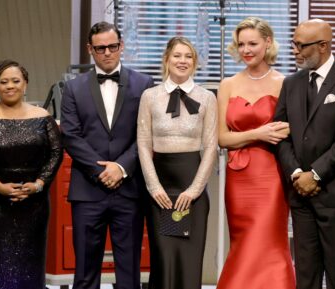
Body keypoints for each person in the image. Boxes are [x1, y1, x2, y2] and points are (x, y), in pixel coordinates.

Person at [274, 19, 335, 289]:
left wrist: (315, 175)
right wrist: (296, 174)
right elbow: (281, 134)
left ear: (323, 46)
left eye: (301, 45)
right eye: (294, 44)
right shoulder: (291, 83)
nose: (295, 50)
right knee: (305, 272)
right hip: (300, 193)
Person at [61, 21, 154, 289]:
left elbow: (147, 134)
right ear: (90, 49)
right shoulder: (73, 88)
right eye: (100, 48)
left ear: (121, 46)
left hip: (130, 188)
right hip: (88, 190)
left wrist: (121, 167)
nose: (107, 53)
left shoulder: (144, 83)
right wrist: (101, 170)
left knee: (129, 271)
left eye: (112, 46)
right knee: (85, 271)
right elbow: (70, 135)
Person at [0, 59, 63, 289]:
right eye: (3, 82)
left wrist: (39, 184)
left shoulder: (43, 117)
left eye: (15, 81)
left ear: (25, 84)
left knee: (30, 261)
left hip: (34, 203)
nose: (10, 86)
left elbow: (56, 153)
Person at [216, 17, 295, 289]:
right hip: (238, 178)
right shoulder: (227, 85)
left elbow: (290, 130)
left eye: (252, 43)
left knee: (269, 242)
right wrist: (256, 134)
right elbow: (222, 137)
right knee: (243, 242)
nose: (246, 50)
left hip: (272, 174)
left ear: (268, 43)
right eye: (241, 44)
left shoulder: (285, 83)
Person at [137, 36, 217, 289]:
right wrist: (154, 187)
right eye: (177, 55)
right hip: (160, 188)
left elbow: (211, 146)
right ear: (166, 59)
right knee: (164, 258)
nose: (183, 61)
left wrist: (195, 190)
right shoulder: (149, 96)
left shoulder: (207, 98)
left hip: (193, 185)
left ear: (195, 62)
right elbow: (143, 143)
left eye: (188, 56)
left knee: (189, 260)